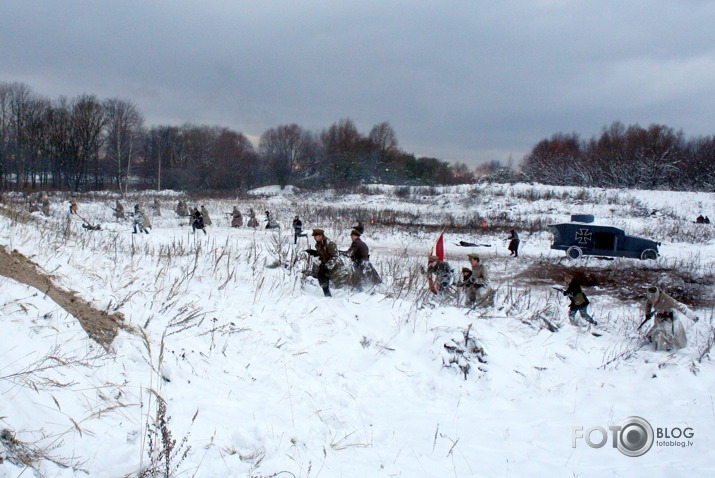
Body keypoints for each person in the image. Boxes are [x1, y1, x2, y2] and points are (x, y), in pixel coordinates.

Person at [640, 286, 698, 351]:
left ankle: (666, 349)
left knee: (670, 336)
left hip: (670, 318)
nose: (653, 301)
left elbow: (680, 307)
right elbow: (648, 305)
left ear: (658, 296)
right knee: (657, 332)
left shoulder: (667, 299)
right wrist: (647, 314)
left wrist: (693, 317)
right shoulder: (651, 297)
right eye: (651, 299)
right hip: (660, 317)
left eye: (654, 299)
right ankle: (656, 342)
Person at [304, 228, 345, 297]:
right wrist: (313, 252)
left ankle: (341, 297)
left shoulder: (329, 244)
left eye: (315, 236)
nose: (314, 238)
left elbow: (335, 257)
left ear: (320, 236)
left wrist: (327, 266)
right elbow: (322, 253)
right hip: (326, 264)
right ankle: (327, 295)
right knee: (321, 276)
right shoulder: (320, 244)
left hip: (335, 266)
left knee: (338, 283)